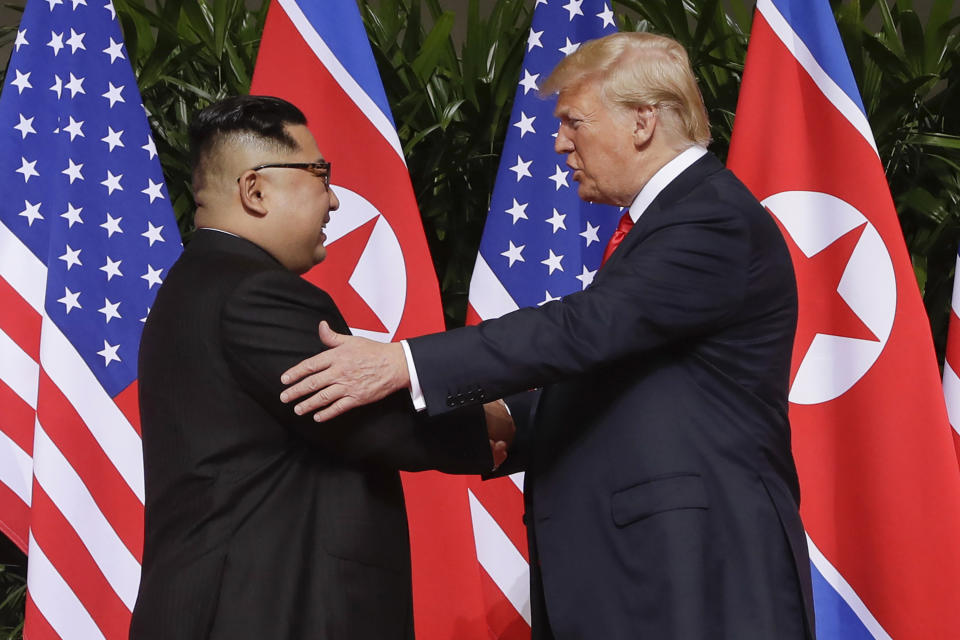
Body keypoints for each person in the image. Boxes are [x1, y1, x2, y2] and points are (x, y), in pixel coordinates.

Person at [280, 32, 815, 640]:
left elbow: (584, 328)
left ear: (643, 121)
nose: (560, 143)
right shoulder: (668, 222)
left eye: (574, 122)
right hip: (643, 574)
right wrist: (507, 417)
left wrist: (402, 363)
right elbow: (623, 372)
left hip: (695, 570)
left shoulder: (711, 217)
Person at [130, 95, 509, 640]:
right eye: (319, 174)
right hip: (263, 615)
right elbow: (376, 419)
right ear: (254, 190)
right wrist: (507, 422)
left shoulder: (200, 284)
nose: (333, 200)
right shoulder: (253, 292)